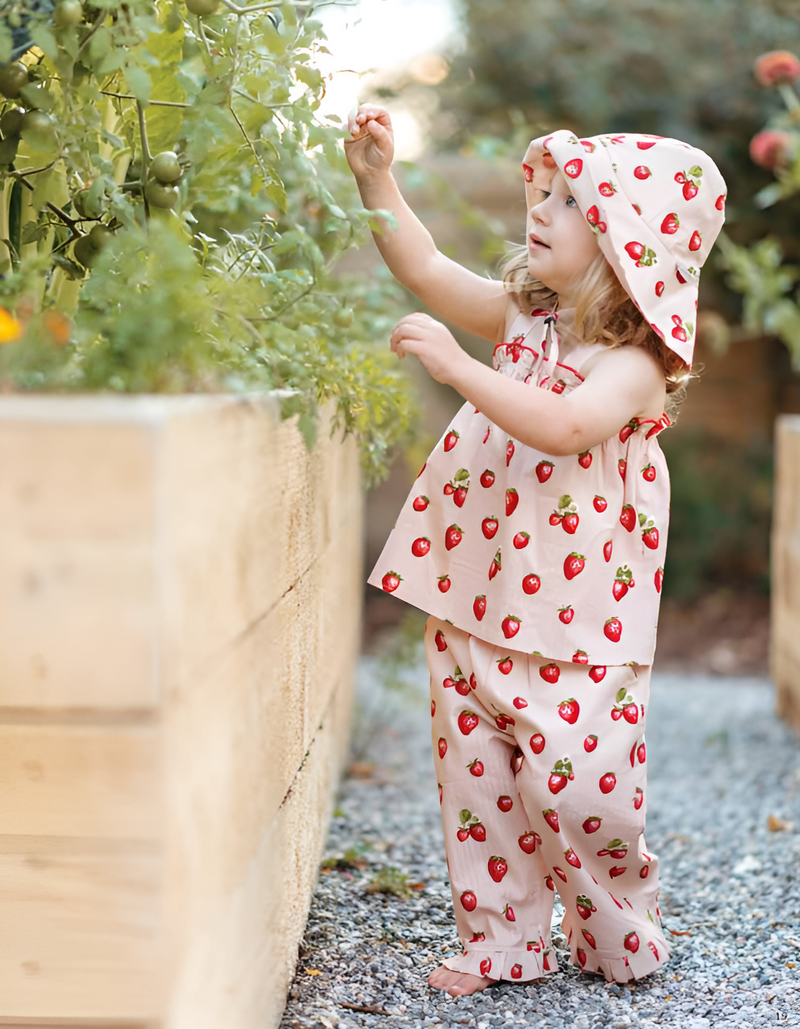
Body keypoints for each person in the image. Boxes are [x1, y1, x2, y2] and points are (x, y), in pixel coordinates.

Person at [345, 105, 726, 998]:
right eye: (544, 192)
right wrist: (377, 181)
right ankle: (501, 940)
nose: (541, 208)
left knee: (583, 787)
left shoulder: (632, 365)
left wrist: (459, 371)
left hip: (581, 620)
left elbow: (563, 425)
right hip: (480, 594)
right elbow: (429, 268)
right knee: (478, 787)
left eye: (568, 201)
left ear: (623, 245)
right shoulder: (531, 315)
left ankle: (615, 921)